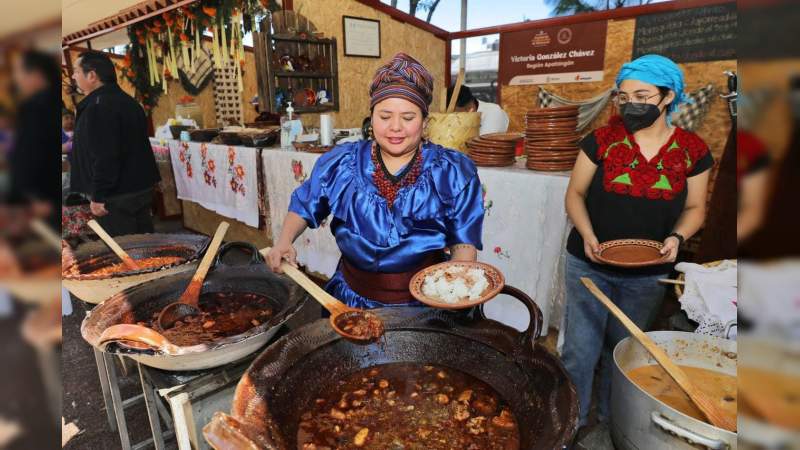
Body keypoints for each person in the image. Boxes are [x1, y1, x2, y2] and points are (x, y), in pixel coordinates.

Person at [560, 54, 713, 430]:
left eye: (642, 96)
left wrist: (678, 237)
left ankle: (616, 422)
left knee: (625, 352)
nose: (632, 105)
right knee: (579, 352)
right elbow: (575, 195)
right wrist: (589, 235)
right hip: (587, 265)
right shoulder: (600, 141)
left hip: (648, 273)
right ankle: (572, 422)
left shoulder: (693, 151)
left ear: (667, 97)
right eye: (624, 97)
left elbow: (695, 208)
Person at [266, 53, 484, 308]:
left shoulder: (452, 172)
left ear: (425, 123)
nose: (395, 127)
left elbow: (463, 242)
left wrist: (458, 286)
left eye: (408, 117)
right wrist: (284, 242)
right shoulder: (341, 163)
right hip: (350, 302)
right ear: (371, 118)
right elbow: (304, 204)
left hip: (426, 306)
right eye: (385, 116)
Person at [70, 50, 160, 236]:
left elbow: (105, 155)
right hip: (139, 188)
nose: (73, 76)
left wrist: (98, 195)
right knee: (146, 246)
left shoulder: (98, 107)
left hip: (117, 195)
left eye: (76, 71)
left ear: (92, 75)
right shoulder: (128, 102)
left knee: (124, 253)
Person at [7, 49, 61, 227]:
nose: (16, 79)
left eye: (19, 72)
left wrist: (32, 196)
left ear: (36, 74)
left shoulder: (36, 106)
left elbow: (31, 154)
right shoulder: (53, 101)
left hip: (42, 198)